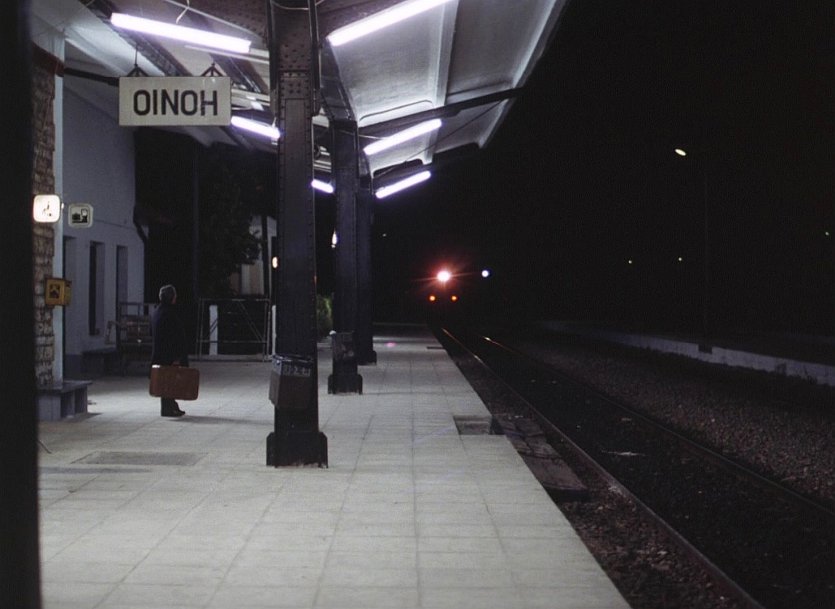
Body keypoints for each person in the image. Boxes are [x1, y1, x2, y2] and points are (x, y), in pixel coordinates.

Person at [151, 284, 189, 417]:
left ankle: (171, 406)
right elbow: (175, 336)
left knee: (166, 381)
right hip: (169, 353)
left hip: (159, 353)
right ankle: (168, 408)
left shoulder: (158, 312)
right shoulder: (169, 314)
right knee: (170, 380)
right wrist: (177, 356)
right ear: (172, 297)